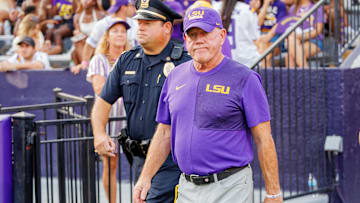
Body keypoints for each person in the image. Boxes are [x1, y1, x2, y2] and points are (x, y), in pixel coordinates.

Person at [133, 6, 282, 203]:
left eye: (205, 33)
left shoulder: (245, 79)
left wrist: (273, 193)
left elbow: (264, 139)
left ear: (221, 36)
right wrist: (145, 177)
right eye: (193, 35)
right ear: (185, 41)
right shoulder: (175, 76)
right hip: (187, 187)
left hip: (230, 187)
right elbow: (164, 133)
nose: (199, 40)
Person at [90, 0, 191, 202]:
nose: (141, 26)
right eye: (139, 22)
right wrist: (99, 134)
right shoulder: (127, 60)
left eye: (148, 22)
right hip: (138, 157)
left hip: (171, 160)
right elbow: (102, 102)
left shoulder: (184, 63)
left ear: (167, 27)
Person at [87, 19, 130, 203]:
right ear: (107, 36)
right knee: (111, 164)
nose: (120, 34)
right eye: (115, 31)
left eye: (123, 31)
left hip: (132, 118)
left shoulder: (131, 57)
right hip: (110, 119)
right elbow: (100, 89)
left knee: (142, 162)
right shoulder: (99, 59)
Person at [70, 0, 137, 74]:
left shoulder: (135, 24)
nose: (135, 9)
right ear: (124, 7)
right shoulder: (103, 23)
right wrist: (84, 63)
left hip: (131, 65)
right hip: (107, 67)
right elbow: (90, 44)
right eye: (133, 5)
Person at [215, 0, 260, 67]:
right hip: (247, 60)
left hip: (223, 60)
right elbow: (256, 39)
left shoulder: (215, 7)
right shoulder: (248, 9)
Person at [287, 0, 324, 68]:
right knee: (290, 52)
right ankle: (305, 71)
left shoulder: (317, 7)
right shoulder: (293, 8)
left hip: (314, 41)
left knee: (290, 57)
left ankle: (304, 72)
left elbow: (318, 30)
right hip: (295, 41)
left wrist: (300, 36)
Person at [72, 0, 103, 65]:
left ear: (94, 2)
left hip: (97, 43)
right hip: (83, 42)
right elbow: (78, 33)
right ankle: (86, 66)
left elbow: (102, 35)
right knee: (77, 44)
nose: (85, 1)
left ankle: (85, 66)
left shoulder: (100, 15)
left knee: (78, 48)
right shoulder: (77, 17)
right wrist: (77, 33)